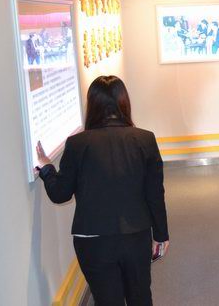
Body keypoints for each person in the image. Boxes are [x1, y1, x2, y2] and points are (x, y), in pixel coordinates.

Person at [35, 75, 169, 305]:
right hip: (136, 236)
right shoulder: (145, 139)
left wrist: (47, 169)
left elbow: (60, 194)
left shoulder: (77, 144)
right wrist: (161, 234)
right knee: (140, 298)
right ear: (124, 102)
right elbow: (155, 193)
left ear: (92, 105)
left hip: (92, 240)